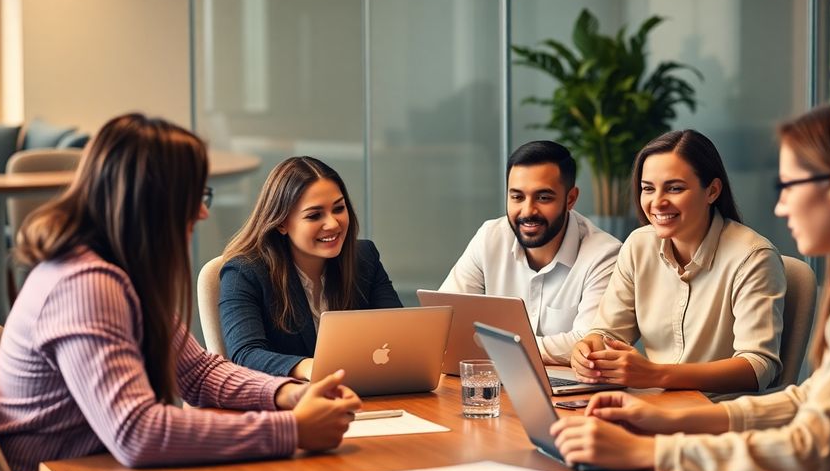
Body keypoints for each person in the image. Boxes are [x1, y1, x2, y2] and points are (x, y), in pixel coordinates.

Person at [551, 97, 830, 471]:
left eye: (787, 186)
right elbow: (812, 397)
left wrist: (647, 452)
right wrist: (667, 415)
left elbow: (811, 451)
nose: (781, 206)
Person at [0, 114, 362, 471]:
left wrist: (286, 394)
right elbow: (137, 432)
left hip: (100, 464)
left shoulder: (123, 270)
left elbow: (198, 373)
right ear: (152, 202)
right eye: (193, 196)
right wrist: (291, 430)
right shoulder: (84, 285)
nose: (201, 212)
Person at [570, 130, 785, 394]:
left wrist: (656, 375)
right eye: (648, 188)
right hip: (654, 405)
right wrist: (589, 349)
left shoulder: (753, 258)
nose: (657, 202)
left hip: (717, 416)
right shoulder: (638, 245)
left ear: (713, 191)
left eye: (675, 188)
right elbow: (607, 333)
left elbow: (758, 367)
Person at [440, 141, 621, 364]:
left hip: (571, 392)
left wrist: (490, 346)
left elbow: (589, 344)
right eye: (517, 197)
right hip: (495, 380)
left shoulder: (605, 254)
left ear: (570, 199)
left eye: (543, 198)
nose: (528, 211)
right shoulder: (490, 237)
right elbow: (445, 319)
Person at [220, 156, 402, 380]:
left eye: (338, 208)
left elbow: (398, 334)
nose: (333, 224)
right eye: (315, 215)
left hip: (367, 394)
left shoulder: (364, 258)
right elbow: (245, 354)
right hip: (292, 406)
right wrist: (313, 367)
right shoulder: (245, 272)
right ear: (281, 223)